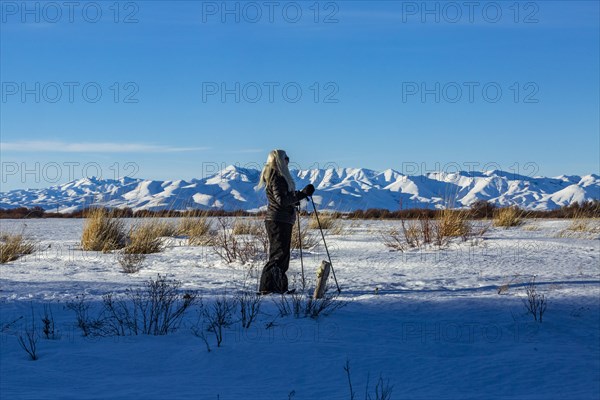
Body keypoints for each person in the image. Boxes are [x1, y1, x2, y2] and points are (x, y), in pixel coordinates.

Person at [257, 149, 315, 294]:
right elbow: (282, 200)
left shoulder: (276, 177)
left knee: (281, 255)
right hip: (278, 220)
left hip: (280, 219)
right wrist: (302, 195)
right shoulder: (277, 177)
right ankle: (268, 288)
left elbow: (283, 199)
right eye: (286, 158)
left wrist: (297, 196)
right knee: (279, 255)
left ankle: (276, 288)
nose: (288, 160)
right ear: (278, 160)